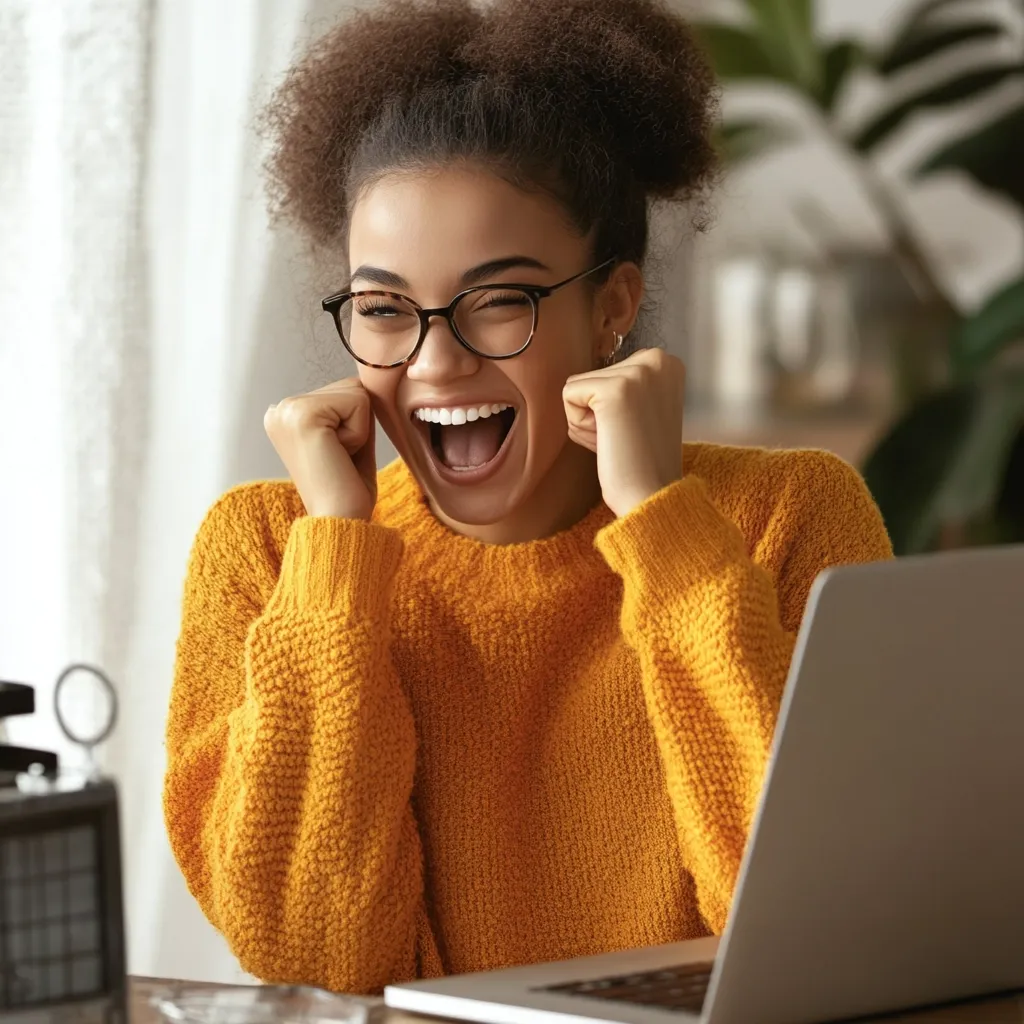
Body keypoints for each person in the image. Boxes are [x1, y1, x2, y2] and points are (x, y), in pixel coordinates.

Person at [163, 0, 892, 997]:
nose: (435, 360)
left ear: (614, 308)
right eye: (383, 310)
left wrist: (662, 526)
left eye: (498, 300)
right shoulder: (268, 548)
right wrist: (336, 552)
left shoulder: (788, 514)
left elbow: (819, 922)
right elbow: (316, 952)